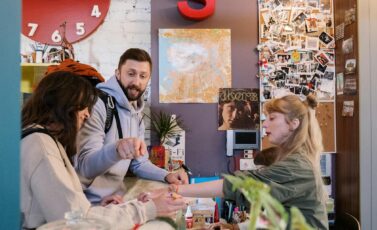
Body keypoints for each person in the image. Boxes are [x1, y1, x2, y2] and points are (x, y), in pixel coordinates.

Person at [21, 71, 186, 229]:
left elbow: (67, 205)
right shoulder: (41, 145)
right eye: (83, 107)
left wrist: (100, 209)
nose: (86, 114)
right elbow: (77, 222)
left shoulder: (43, 140)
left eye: (143, 76)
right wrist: (147, 209)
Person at [158, 94, 328, 229]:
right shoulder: (293, 158)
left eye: (272, 118)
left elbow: (238, 185)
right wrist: (237, 227)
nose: (265, 124)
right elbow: (281, 213)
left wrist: (177, 189)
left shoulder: (296, 166)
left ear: (293, 124)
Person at [74, 48, 188, 204]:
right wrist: (117, 149)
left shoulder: (137, 114)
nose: (136, 82)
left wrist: (166, 175)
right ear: (118, 73)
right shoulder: (98, 105)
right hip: (88, 204)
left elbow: (139, 163)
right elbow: (86, 167)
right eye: (131, 74)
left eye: (143, 76)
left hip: (114, 201)